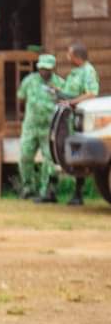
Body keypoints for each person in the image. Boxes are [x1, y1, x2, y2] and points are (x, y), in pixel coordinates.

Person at [17, 54, 65, 203]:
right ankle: (28, 187)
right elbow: (21, 99)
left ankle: (47, 191)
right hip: (30, 126)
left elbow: (64, 103)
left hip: (49, 128)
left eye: (47, 68)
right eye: (42, 68)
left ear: (53, 68)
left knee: (50, 159)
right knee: (25, 156)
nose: (44, 71)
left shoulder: (60, 84)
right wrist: (23, 115)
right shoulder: (29, 81)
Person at [61, 43, 100, 206]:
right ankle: (76, 193)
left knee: (79, 155)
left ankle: (79, 193)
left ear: (77, 57)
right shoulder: (76, 72)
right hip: (71, 119)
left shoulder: (88, 72)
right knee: (73, 154)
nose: (67, 57)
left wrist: (71, 102)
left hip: (81, 121)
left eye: (69, 54)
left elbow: (91, 93)